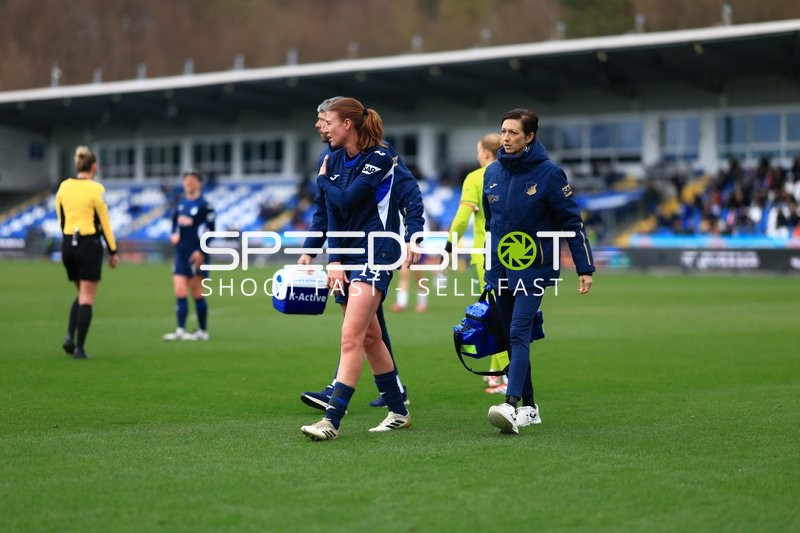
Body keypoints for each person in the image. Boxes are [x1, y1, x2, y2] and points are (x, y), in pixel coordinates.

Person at [299, 96, 423, 410]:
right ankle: (397, 400)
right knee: (368, 332)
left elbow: (405, 194)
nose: (318, 126)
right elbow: (326, 211)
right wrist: (311, 252)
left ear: (347, 123)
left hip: (376, 252)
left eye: (325, 120)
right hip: (348, 255)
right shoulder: (331, 159)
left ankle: (335, 406)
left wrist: (413, 235)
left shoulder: (382, 155)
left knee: (356, 332)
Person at [483, 108, 594, 434]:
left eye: (513, 132)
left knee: (518, 332)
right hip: (500, 268)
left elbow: (572, 222)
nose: (505, 137)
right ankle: (531, 407)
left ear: (530, 136)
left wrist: (584, 267)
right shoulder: (492, 173)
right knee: (508, 337)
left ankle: (510, 403)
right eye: (503, 131)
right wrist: (490, 269)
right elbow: (491, 225)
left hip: (534, 268)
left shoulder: (549, 174)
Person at [444, 133, 511, 394]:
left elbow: (462, 218)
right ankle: (497, 375)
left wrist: (449, 246)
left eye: (478, 150)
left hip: (486, 255)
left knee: (494, 313)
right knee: (502, 311)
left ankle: (505, 377)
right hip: (513, 254)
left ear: (485, 153)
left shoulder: (476, 177)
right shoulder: (511, 173)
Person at [55, 146, 120, 359]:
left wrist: (67, 239)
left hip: (67, 244)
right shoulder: (96, 189)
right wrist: (113, 250)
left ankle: (68, 337)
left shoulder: (64, 187)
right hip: (88, 244)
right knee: (87, 298)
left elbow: (61, 218)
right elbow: (105, 223)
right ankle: (79, 348)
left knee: (80, 293)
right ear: (94, 167)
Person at [162, 169, 215, 341]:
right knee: (179, 290)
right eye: (186, 180)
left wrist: (201, 251)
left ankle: (202, 330)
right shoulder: (181, 204)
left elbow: (211, 232)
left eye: (192, 180)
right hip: (181, 254)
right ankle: (180, 330)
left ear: (199, 183)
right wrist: (174, 234)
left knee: (197, 292)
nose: (189, 183)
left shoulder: (205, 206)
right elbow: (174, 225)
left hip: (197, 255)